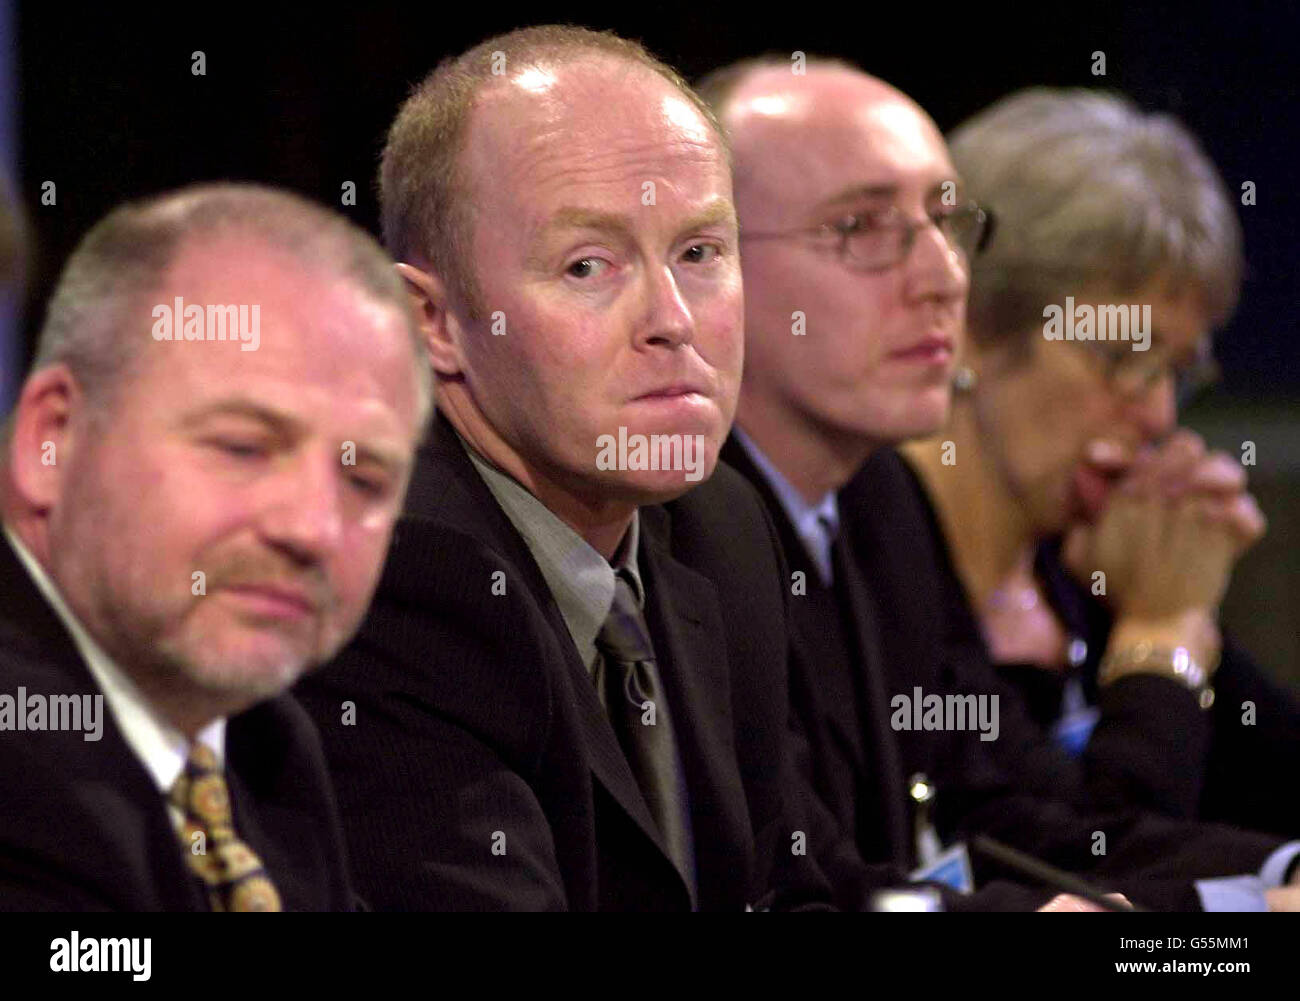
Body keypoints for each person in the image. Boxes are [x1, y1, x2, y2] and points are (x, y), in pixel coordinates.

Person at [695, 57, 1300, 910]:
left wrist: (1266, 884)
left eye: (947, 224)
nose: (944, 276)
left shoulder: (874, 503)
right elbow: (812, 890)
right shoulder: (688, 536)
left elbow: (999, 818)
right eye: (862, 228)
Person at [295, 26, 832, 911]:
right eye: (589, 265)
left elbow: (786, 891)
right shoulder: (388, 576)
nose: (672, 320)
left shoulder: (720, 525)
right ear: (431, 321)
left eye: (700, 253)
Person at [0, 183, 431, 910]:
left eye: (363, 480)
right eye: (242, 447)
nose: (312, 529)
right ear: (53, 439)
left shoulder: (265, 747)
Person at [897, 87, 1300, 838]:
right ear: (974, 323)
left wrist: (1176, 606)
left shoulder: (1087, 569)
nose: (1158, 416)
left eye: (1175, 372)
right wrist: (1162, 637)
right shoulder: (874, 581)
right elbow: (1095, 866)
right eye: (1121, 359)